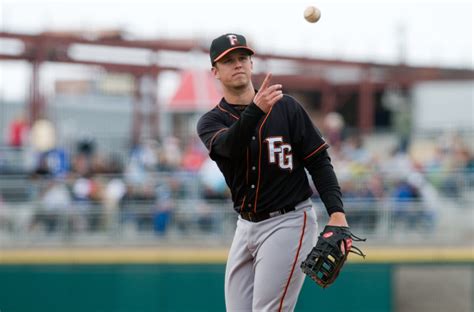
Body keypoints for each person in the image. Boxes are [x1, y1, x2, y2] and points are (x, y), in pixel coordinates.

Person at [197, 33, 350, 312]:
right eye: (228, 61)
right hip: (245, 226)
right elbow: (229, 147)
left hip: (289, 220)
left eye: (243, 58)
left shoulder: (287, 108)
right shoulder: (211, 121)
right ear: (215, 72)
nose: (238, 64)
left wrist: (337, 212)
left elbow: (319, 162)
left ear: (252, 63)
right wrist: (256, 111)